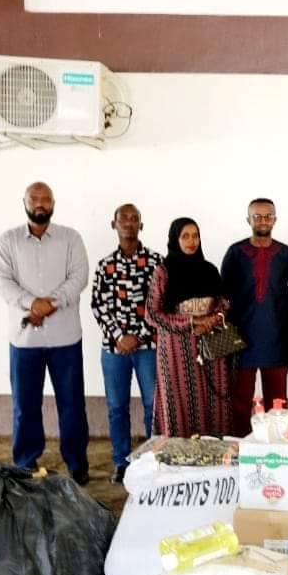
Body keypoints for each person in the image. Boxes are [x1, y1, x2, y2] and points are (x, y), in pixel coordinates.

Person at [0, 182, 91, 483]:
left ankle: (76, 464)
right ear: (24, 202)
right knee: (25, 405)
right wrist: (32, 304)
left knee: (72, 404)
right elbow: (2, 282)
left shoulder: (70, 238)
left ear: (53, 203)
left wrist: (51, 304)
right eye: (34, 199)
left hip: (65, 339)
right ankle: (25, 462)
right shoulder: (7, 241)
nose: (40, 204)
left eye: (46, 199)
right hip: (24, 341)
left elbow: (79, 277)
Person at [91, 204, 163, 483]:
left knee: (151, 406)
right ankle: (121, 462)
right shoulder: (105, 265)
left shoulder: (157, 263)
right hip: (114, 349)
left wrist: (140, 336)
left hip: (148, 347)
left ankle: (151, 459)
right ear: (114, 224)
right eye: (124, 219)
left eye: (135, 220)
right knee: (116, 406)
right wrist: (120, 337)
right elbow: (98, 305)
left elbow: (159, 306)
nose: (129, 224)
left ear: (141, 226)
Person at [221, 198, 288, 436]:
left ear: (275, 220)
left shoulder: (285, 253)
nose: (263, 220)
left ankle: (276, 449)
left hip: (275, 339)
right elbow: (223, 292)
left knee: (277, 403)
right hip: (241, 339)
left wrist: (279, 313)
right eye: (257, 216)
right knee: (239, 402)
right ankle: (239, 449)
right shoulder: (236, 252)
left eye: (268, 216)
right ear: (249, 220)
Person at [146, 218, 233, 437]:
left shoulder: (209, 270)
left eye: (195, 235)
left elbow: (224, 303)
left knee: (213, 402)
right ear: (175, 239)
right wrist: (192, 322)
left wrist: (212, 320)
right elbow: (152, 314)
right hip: (177, 351)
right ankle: (179, 461)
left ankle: (214, 458)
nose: (191, 241)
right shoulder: (163, 272)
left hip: (211, 347)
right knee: (179, 400)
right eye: (185, 236)